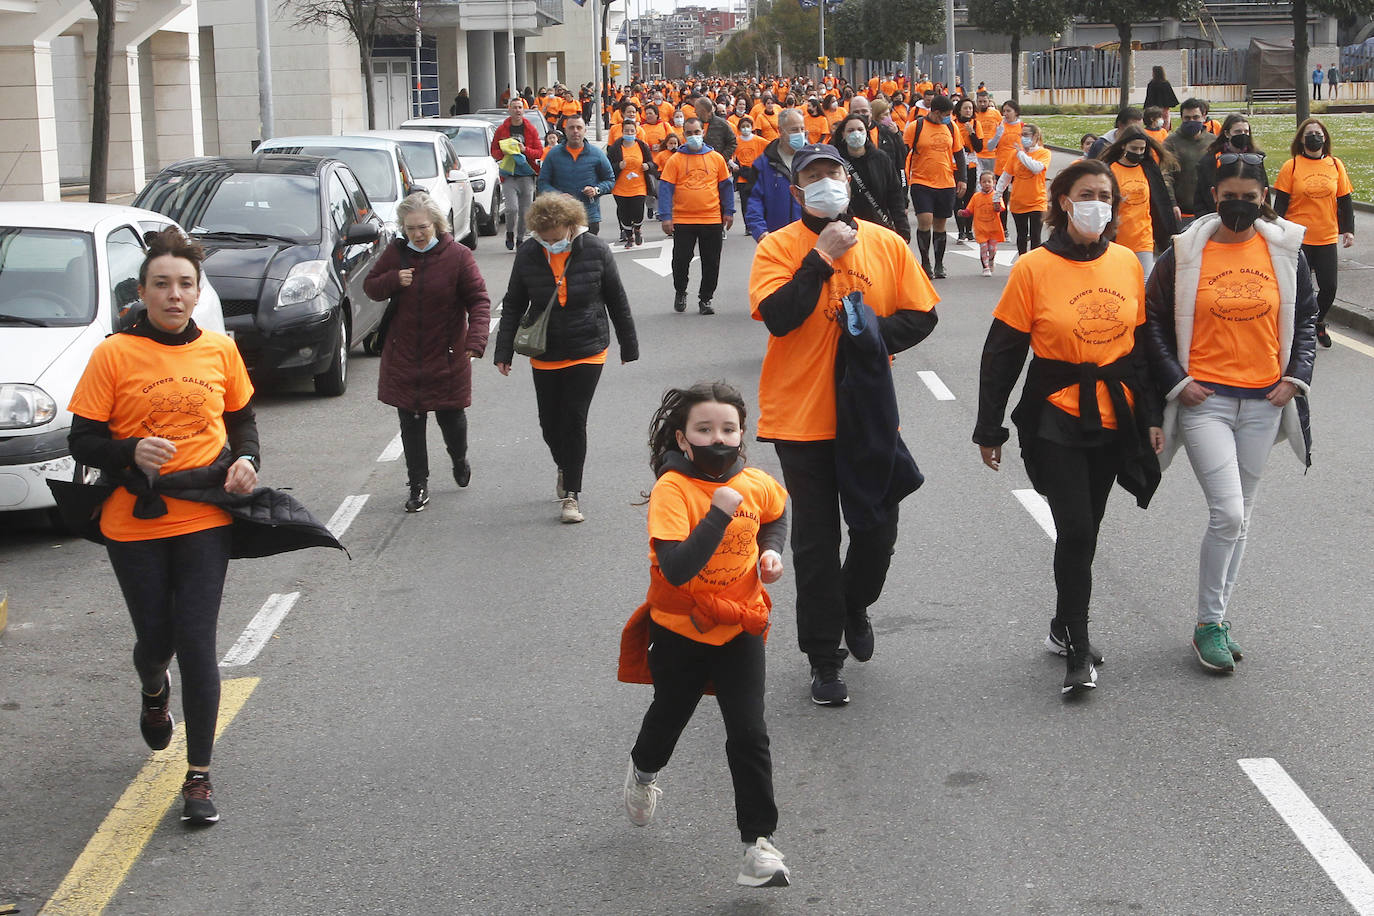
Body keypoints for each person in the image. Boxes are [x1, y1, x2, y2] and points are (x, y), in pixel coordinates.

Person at [62, 228, 336, 826]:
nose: (174, 294)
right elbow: (80, 439)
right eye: (162, 284)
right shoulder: (113, 354)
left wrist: (248, 462)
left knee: (197, 642)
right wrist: (130, 451)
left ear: (197, 290)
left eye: (185, 284)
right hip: (134, 519)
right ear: (142, 292)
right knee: (156, 640)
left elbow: (243, 422)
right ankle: (154, 688)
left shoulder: (219, 350)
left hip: (206, 513)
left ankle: (199, 779)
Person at [749, 144, 939, 706]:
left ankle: (854, 603)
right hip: (799, 418)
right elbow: (780, 318)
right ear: (797, 190)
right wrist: (821, 258)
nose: (826, 181)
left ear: (848, 181)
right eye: (813, 175)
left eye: (833, 172)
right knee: (815, 543)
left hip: (867, 414)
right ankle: (823, 657)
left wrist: (873, 339)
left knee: (878, 529)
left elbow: (923, 315)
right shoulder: (777, 247)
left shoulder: (885, 243)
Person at [973, 158, 1163, 696]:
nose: (1097, 203)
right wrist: (990, 427)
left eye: (1106, 195)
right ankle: (1078, 649)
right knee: (1076, 528)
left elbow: (1143, 349)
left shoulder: (1127, 262)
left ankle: (1062, 622)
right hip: (1054, 414)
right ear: (1063, 201)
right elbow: (1003, 351)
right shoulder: (1032, 267)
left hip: (1114, 414)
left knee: (1088, 528)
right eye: (1087, 193)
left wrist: (1151, 416)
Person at [1142, 154, 1316, 673]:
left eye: (1250, 196)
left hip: (1265, 401)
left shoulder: (1285, 249)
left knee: (1241, 520)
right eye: (1229, 196)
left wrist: (1295, 377)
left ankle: (1216, 620)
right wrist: (1178, 381)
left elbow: (1306, 317)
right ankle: (1206, 625)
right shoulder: (1186, 251)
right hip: (1206, 403)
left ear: (1265, 197)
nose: (1240, 205)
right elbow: (1152, 321)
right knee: (1230, 513)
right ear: (1213, 195)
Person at [617, 382, 792, 890]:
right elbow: (675, 568)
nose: (718, 438)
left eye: (728, 429)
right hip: (680, 632)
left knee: (749, 731)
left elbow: (776, 514)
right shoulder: (673, 491)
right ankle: (644, 774)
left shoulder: (756, 482)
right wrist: (718, 512)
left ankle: (758, 846)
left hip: (740, 625)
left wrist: (771, 552)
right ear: (683, 437)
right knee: (670, 715)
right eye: (705, 429)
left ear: (741, 435)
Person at [493, 193, 638, 523]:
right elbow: (514, 302)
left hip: (588, 347)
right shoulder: (530, 252)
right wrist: (503, 352)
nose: (551, 244)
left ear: (572, 227)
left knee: (574, 419)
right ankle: (564, 463)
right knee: (549, 424)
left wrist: (629, 346)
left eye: (557, 238)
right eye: (545, 239)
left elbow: (617, 300)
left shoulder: (596, 250)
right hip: (546, 350)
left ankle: (572, 494)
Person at [364, 194, 491, 512]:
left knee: (452, 419)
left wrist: (475, 341)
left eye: (422, 227)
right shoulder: (396, 254)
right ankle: (417, 485)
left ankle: (459, 459)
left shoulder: (459, 256)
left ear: (436, 223)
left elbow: (478, 300)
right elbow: (371, 286)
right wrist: (394, 279)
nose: (417, 234)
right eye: (410, 229)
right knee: (411, 422)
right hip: (404, 354)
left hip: (447, 353)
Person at [1273, 118, 1356, 348]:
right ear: (1301, 139)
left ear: (1325, 138)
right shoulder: (1292, 166)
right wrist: (1276, 230)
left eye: (1318, 133)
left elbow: (1345, 201)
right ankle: (1301, 327)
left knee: (1329, 286)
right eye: (1309, 133)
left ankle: (1318, 321)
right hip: (1298, 236)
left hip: (1326, 236)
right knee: (1302, 288)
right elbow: (1280, 204)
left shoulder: (1336, 165)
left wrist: (1348, 230)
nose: (1314, 137)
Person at [659, 117, 735, 315]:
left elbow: (726, 186)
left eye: (697, 132)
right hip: (683, 220)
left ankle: (706, 299)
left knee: (711, 261)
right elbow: (666, 188)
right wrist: (666, 216)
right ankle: (681, 290)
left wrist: (729, 212)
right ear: (684, 135)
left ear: (703, 133)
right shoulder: (675, 160)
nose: (694, 136)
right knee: (680, 260)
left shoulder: (716, 158)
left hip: (711, 219)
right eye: (689, 133)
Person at [1099, 126, 1179, 275]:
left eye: (1142, 149)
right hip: (1118, 238)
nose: (1138, 153)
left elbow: (1160, 200)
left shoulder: (1148, 169)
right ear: (1123, 145)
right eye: (1134, 148)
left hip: (1143, 238)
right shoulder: (1110, 170)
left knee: (1145, 283)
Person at [903, 94, 966, 279]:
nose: (948, 117)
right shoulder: (916, 127)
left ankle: (939, 264)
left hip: (946, 182)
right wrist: (903, 181)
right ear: (936, 112)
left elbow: (959, 155)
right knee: (925, 221)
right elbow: (904, 154)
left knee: (940, 224)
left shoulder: (951, 127)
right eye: (946, 114)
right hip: (921, 182)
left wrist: (962, 179)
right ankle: (925, 262)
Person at [832, 113, 909, 240]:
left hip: (878, 226)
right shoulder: (836, 161)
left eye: (860, 129)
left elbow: (895, 196)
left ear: (866, 133)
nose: (856, 133)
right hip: (847, 229)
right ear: (843, 134)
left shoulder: (881, 158)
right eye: (850, 130)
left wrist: (903, 229)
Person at [537, 114, 615, 235]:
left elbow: (610, 180)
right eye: (571, 128)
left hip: (589, 215)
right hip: (561, 216)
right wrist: (558, 196)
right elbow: (542, 183)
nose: (575, 131)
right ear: (565, 131)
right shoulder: (553, 154)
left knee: (588, 252)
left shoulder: (597, 154)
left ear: (585, 130)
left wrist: (596, 190)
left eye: (579, 127)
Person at [492, 97, 545, 250]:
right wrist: (504, 153)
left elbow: (538, 152)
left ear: (523, 110)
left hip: (527, 175)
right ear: (509, 110)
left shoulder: (530, 129)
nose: (517, 110)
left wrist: (524, 150)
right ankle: (509, 232)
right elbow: (494, 151)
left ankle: (520, 238)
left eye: (520, 107)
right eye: (514, 107)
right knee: (511, 208)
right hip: (509, 175)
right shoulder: (502, 129)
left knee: (525, 211)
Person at [745, 108, 806, 241]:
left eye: (802, 129)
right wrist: (759, 230)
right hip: (775, 238)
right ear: (780, 131)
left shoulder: (813, 161)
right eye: (794, 130)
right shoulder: (763, 163)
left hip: (808, 238)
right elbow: (754, 199)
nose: (800, 134)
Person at [996, 122, 1051, 257]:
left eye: (1026, 135)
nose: (1023, 138)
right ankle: (1022, 261)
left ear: (1036, 136)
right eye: (1022, 135)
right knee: (1021, 235)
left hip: (1037, 201)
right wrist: (997, 194)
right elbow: (1006, 176)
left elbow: (1036, 168)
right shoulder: (1015, 154)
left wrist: (1021, 154)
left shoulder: (1044, 153)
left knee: (1035, 236)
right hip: (1018, 201)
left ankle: (1033, 263)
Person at [1193, 114, 1260, 217]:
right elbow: (1200, 196)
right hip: (1215, 217)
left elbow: (1263, 191)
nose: (1243, 135)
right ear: (1227, 134)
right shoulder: (1210, 160)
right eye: (1238, 132)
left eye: (1246, 132)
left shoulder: (1257, 159)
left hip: (1249, 217)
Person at [1163, 99, 1211, 228]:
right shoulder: (1171, 142)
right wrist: (1172, 204)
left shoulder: (1213, 141)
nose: (1191, 122)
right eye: (1187, 118)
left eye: (1196, 117)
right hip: (1182, 211)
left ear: (1204, 117)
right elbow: (1166, 176)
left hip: (1209, 210)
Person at [607, 118, 654, 248]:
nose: (629, 133)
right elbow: (608, 165)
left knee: (638, 211)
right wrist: (618, 166)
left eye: (632, 131)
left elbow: (652, 163)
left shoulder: (642, 146)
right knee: (624, 213)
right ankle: (629, 236)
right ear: (622, 132)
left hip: (639, 186)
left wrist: (647, 165)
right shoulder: (616, 147)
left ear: (636, 132)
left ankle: (637, 229)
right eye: (626, 131)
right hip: (620, 187)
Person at [958, 170, 1006, 276]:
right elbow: (969, 210)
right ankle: (986, 268)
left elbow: (1001, 208)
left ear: (994, 182)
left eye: (989, 181)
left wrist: (997, 206)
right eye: (984, 182)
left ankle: (991, 260)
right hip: (981, 228)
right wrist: (963, 213)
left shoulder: (996, 196)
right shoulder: (976, 197)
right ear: (980, 183)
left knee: (992, 249)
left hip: (993, 228)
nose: (987, 184)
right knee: (983, 247)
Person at [953, 97, 984, 243]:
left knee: (969, 197)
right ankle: (960, 231)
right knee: (958, 197)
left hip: (971, 163)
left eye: (970, 108)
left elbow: (979, 147)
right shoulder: (952, 124)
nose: (968, 111)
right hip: (956, 164)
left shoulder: (976, 124)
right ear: (959, 109)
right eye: (965, 108)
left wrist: (972, 133)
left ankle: (969, 229)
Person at [732, 115, 769, 225]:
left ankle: (759, 222)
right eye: (743, 127)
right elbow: (730, 155)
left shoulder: (759, 141)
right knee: (745, 203)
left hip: (756, 175)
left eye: (747, 126)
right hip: (742, 176)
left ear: (752, 127)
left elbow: (771, 148)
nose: (745, 129)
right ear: (739, 128)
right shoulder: (736, 142)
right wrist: (733, 164)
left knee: (759, 200)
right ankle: (748, 225)